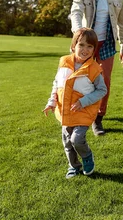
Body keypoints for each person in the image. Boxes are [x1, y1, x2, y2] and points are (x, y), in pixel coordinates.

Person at [69, 0, 123, 136]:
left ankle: (98, 118)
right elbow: (76, 11)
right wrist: (79, 34)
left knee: (104, 81)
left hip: (107, 43)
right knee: (79, 78)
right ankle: (76, 111)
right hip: (86, 42)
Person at [43, 28, 107, 178]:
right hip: (65, 109)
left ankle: (87, 156)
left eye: (90, 46)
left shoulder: (94, 69)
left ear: (94, 49)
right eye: (81, 45)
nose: (85, 49)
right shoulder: (64, 62)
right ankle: (74, 166)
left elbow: (102, 90)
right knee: (67, 142)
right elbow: (57, 83)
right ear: (73, 46)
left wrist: (84, 101)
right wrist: (52, 101)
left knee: (76, 139)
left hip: (84, 111)